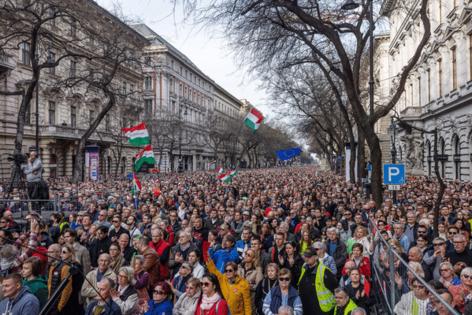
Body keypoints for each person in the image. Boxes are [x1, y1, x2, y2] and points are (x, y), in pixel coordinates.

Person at [297, 247, 337, 315]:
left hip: (322, 311)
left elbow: (335, 289)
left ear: (316, 257)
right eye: (305, 256)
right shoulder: (304, 268)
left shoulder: (324, 271)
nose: (306, 258)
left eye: (309, 256)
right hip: (307, 309)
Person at [47, 244, 82, 315]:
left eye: (64, 252)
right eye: (61, 252)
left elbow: (68, 288)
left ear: (71, 253)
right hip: (56, 299)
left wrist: (59, 306)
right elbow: (50, 283)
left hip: (70, 301)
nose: (61, 255)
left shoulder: (75, 266)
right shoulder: (57, 264)